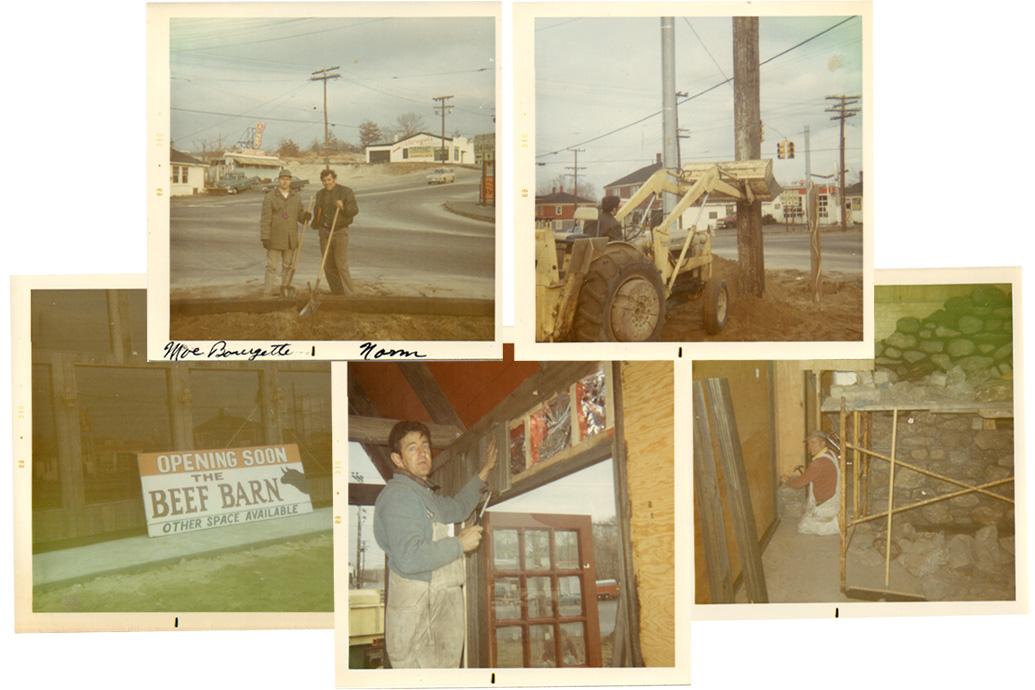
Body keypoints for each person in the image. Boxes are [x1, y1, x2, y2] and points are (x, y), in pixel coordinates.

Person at [373, 421, 497, 668]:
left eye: (425, 446)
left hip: (433, 615)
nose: (423, 453)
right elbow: (409, 557)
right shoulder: (399, 496)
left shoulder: (421, 494)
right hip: (418, 622)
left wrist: (484, 471)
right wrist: (458, 544)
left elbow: (459, 507)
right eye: (412, 448)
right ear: (397, 459)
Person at [259, 169, 311, 297]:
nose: (284, 182)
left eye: (287, 179)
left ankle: (285, 289)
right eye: (282, 179)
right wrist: (265, 237)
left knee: (287, 266)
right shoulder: (270, 197)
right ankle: (267, 292)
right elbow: (265, 219)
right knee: (271, 266)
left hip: (290, 238)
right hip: (274, 238)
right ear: (278, 180)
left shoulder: (296, 196)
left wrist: (305, 217)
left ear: (290, 181)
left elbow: (299, 215)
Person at [781, 430, 841, 535]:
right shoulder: (832, 454)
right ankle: (834, 518)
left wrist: (787, 481)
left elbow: (798, 483)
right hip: (836, 501)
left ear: (823, 443)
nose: (810, 447)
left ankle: (835, 525)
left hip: (827, 506)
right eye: (809, 444)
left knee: (803, 527)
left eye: (814, 443)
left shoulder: (818, 463)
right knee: (807, 512)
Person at [312, 168, 359, 295]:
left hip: (339, 232)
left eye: (329, 180)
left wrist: (343, 207)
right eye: (324, 180)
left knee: (341, 265)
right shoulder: (320, 194)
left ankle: (349, 294)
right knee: (328, 266)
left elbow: (354, 210)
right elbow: (318, 212)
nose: (327, 183)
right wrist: (315, 223)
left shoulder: (346, 192)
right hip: (324, 232)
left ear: (335, 179)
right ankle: (337, 293)